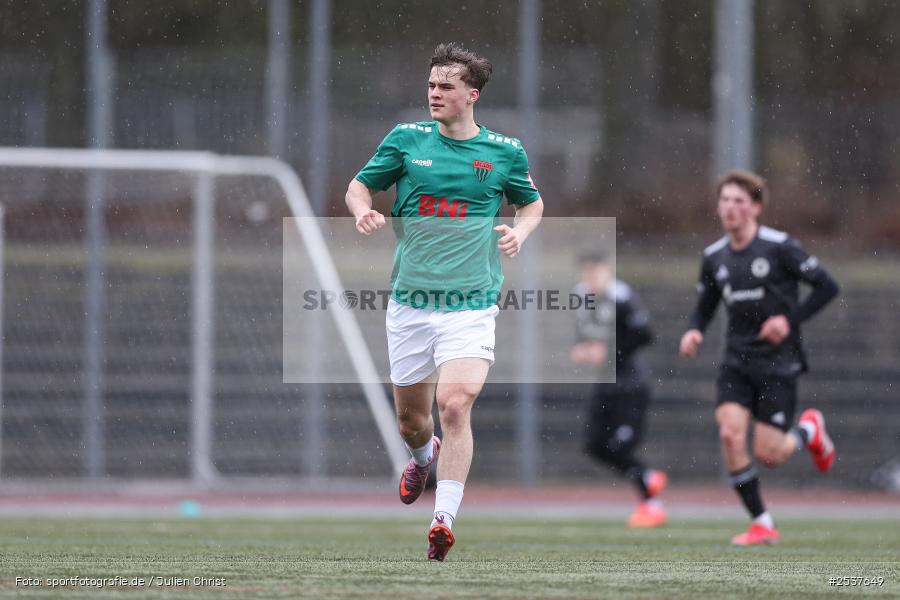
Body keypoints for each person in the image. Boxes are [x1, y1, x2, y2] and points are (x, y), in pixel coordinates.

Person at [345, 43, 544, 561]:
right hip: (410, 303)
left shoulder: (504, 150)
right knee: (414, 421)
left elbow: (532, 201)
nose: (434, 93)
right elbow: (359, 187)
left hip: (472, 302)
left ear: (471, 94)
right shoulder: (407, 140)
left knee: (455, 404)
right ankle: (420, 455)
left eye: (446, 86)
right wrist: (362, 211)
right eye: (431, 85)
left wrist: (521, 232)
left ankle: (443, 519)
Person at [679, 170, 840, 545]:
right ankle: (763, 522)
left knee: (770, 454)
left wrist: (789, 319)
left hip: (778, 361)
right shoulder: (713, 256)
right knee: (730, 435)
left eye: (739, 201)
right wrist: (694, 330)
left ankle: (809, 431)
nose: (731, 208)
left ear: (756, 208)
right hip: (736, 361)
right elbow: (706, 304)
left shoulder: (780, 247)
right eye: (725, 200)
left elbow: (828, 286)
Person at [571, 252, 668, 528]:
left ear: (607, 271)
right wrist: (584, 348)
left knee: (621, 445)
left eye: (595, 273)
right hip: (606, 384)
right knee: (593, 445)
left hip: (630, 385)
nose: (590, 280)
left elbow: (644, 334)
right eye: (586, 274)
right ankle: (648, 480)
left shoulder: (621, 296)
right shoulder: (583, 298)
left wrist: (609, 350)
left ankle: (651, 501)